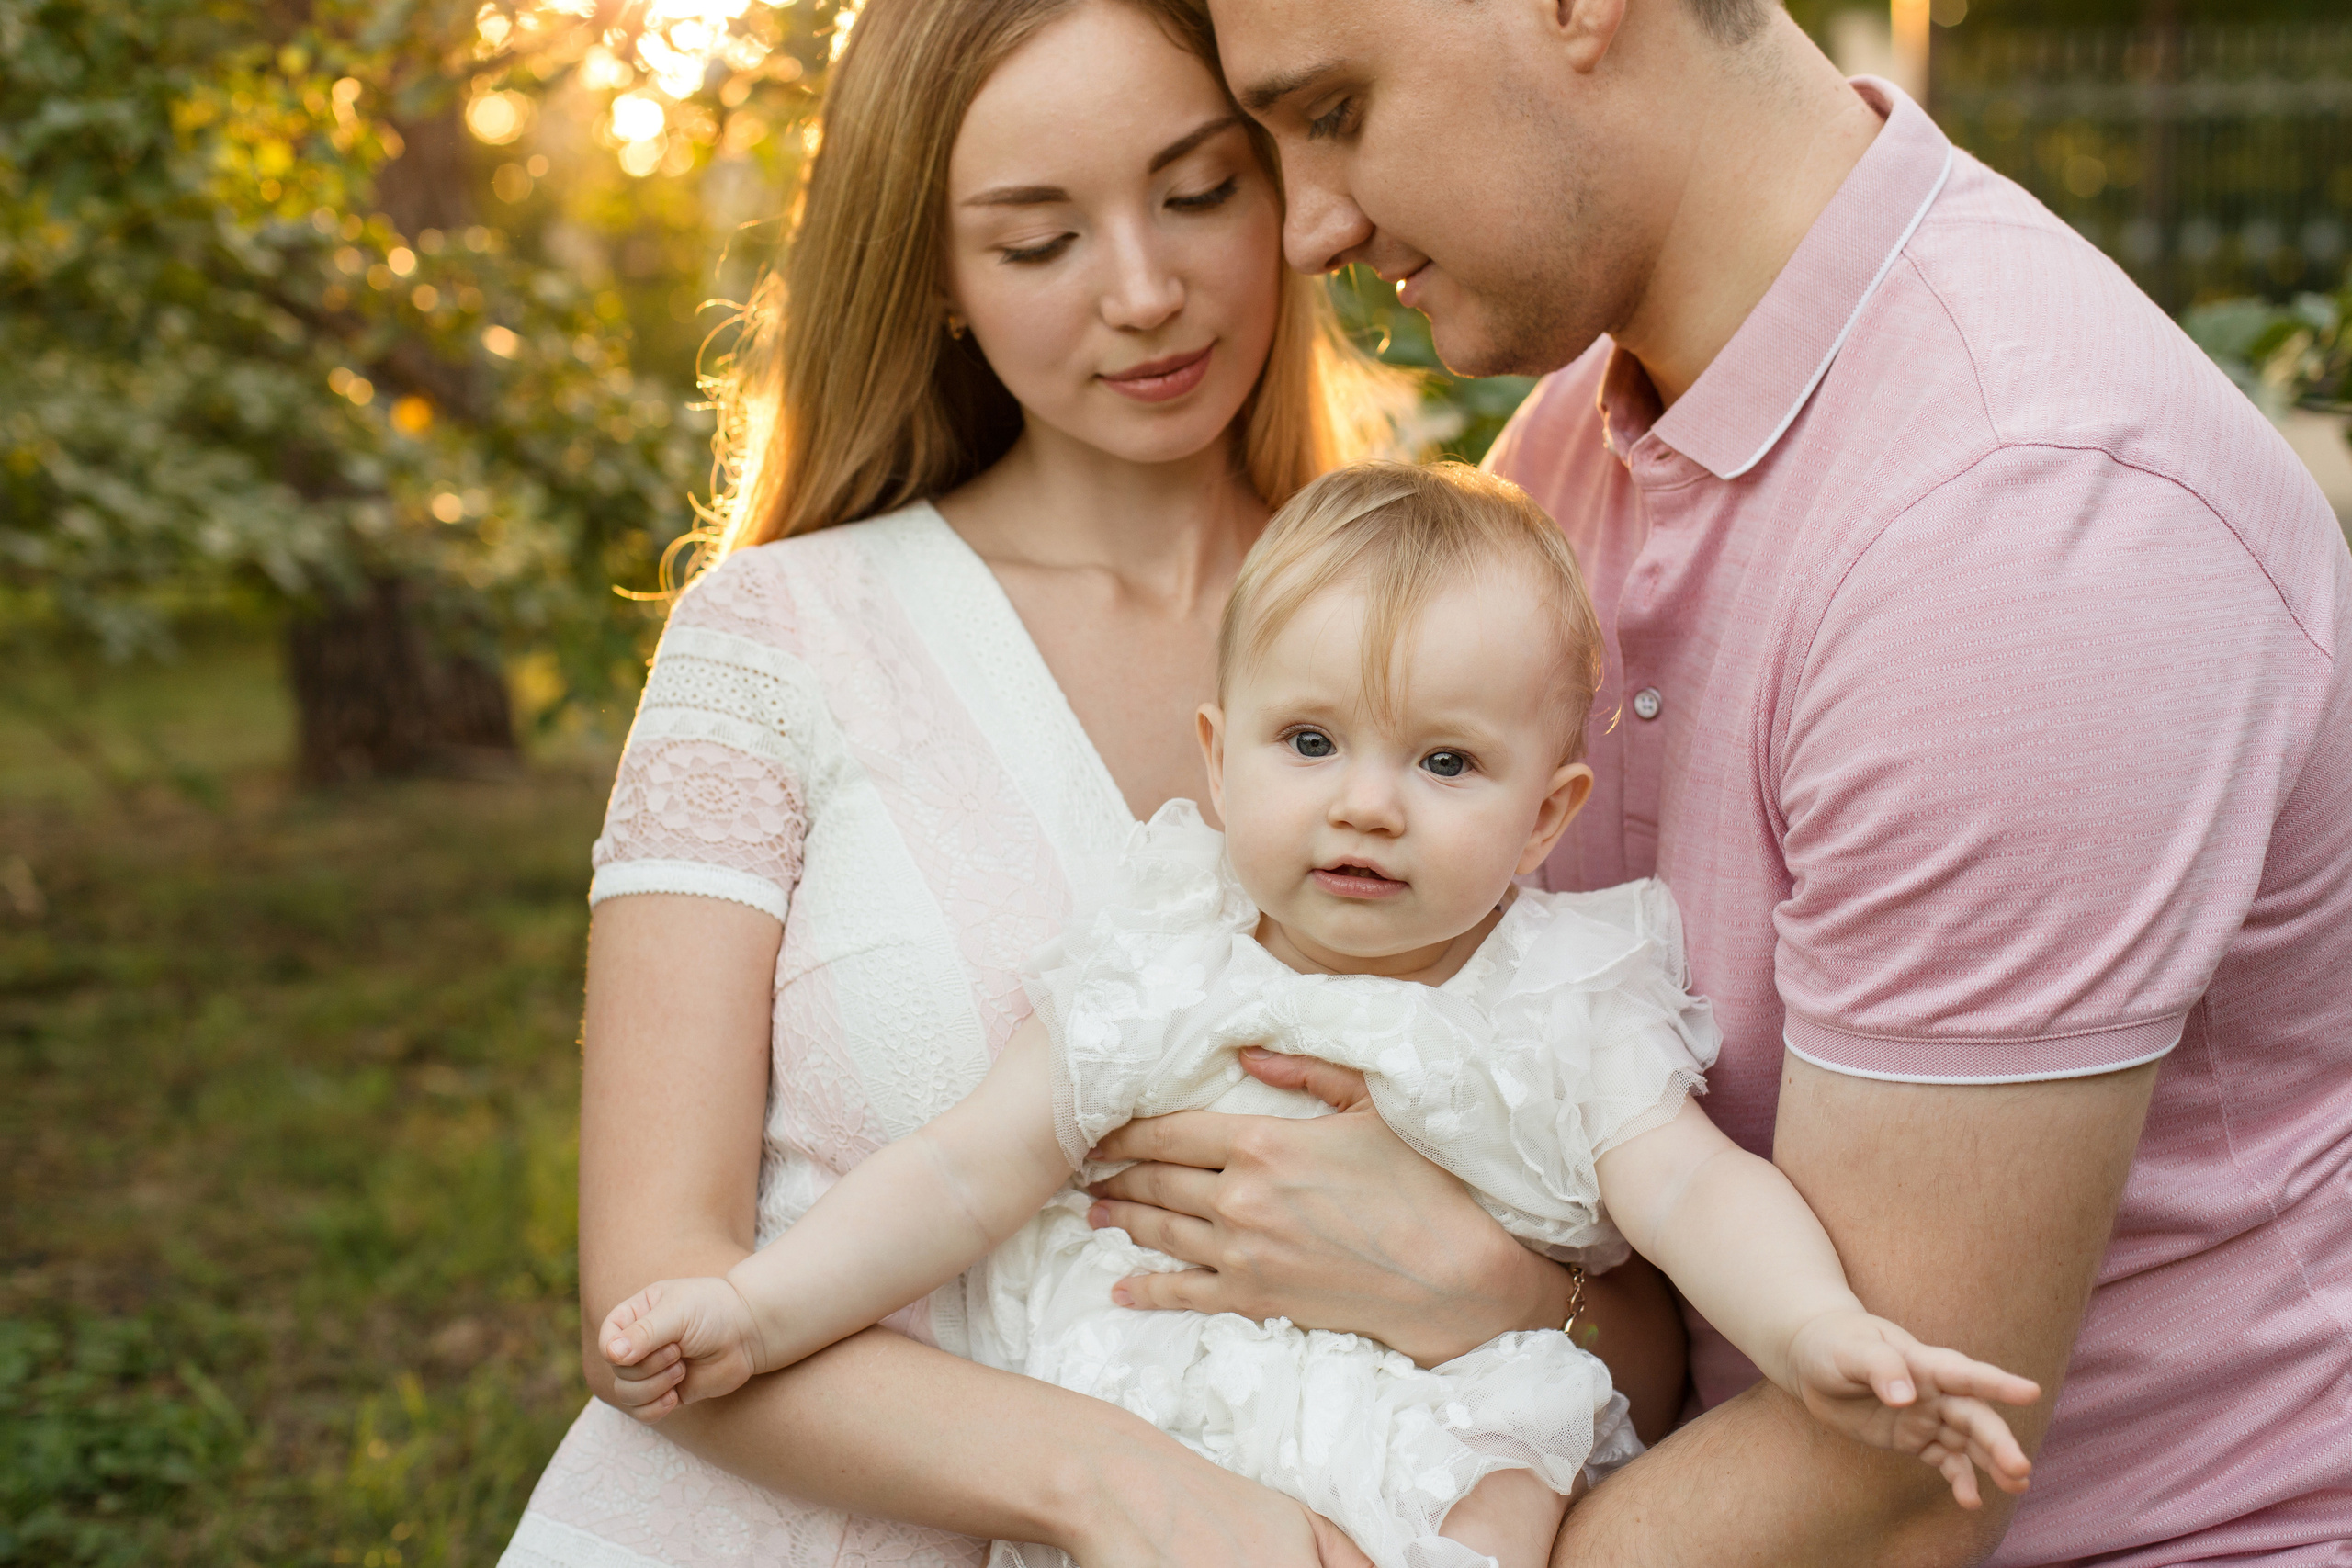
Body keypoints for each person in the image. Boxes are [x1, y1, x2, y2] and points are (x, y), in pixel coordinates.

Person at [1148, 0, 2352, 1564]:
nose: (1309, 226)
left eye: (1332, 111)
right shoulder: (1565, 454)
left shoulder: (2019, 518)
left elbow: (1901, 1486)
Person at [500, 4, 1695, 1567]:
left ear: (1290, 182)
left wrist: (1502, 1294)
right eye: (1036, 240)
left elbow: (1646, 1334)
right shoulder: (776, 639)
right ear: (932, 269)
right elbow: (649, 1304)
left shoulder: (1465, 645)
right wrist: (1118, 1486)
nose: (1146, 293)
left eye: (1198, 193)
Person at [590, 461, 2041, 1568]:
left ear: (1548, 819)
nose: (1366, 801)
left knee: (1508, 1496)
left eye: (1446, 763)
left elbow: (1696, 1189)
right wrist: (758, 1306)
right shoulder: (1162, 963)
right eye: (1310, 741)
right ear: (1218, 764)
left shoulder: (1561, 1003)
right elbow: (965, 1170)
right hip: (1161, 1430)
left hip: (1444, 1454)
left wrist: (1815, 1332)